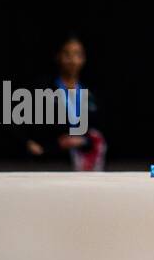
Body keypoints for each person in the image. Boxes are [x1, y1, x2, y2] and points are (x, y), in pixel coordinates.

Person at [23, 33, 108, 171]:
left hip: (86, 165)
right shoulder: (43, 89)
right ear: (58, 56)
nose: (72, 60)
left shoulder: (90, 93)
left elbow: (101, 129)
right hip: (50, 163)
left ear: (83, 58)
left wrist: (84, 140)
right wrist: (29, 143)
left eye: (77, 54)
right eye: (67, 54)